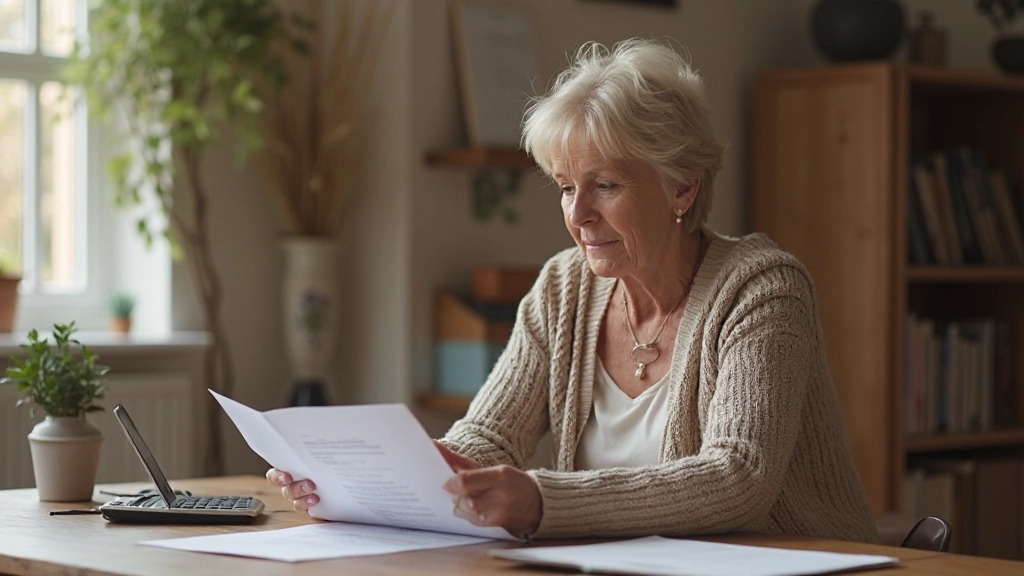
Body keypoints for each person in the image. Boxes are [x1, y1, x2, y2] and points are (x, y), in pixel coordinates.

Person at [266, 37, 879, 544]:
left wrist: (539, 499)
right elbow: (488, 437)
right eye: (565, 187)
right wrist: (387, 474)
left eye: (605, 184)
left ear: (683, 188)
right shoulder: (563, 288)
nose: (578, 214)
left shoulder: (762, 289)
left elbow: (738, 478)